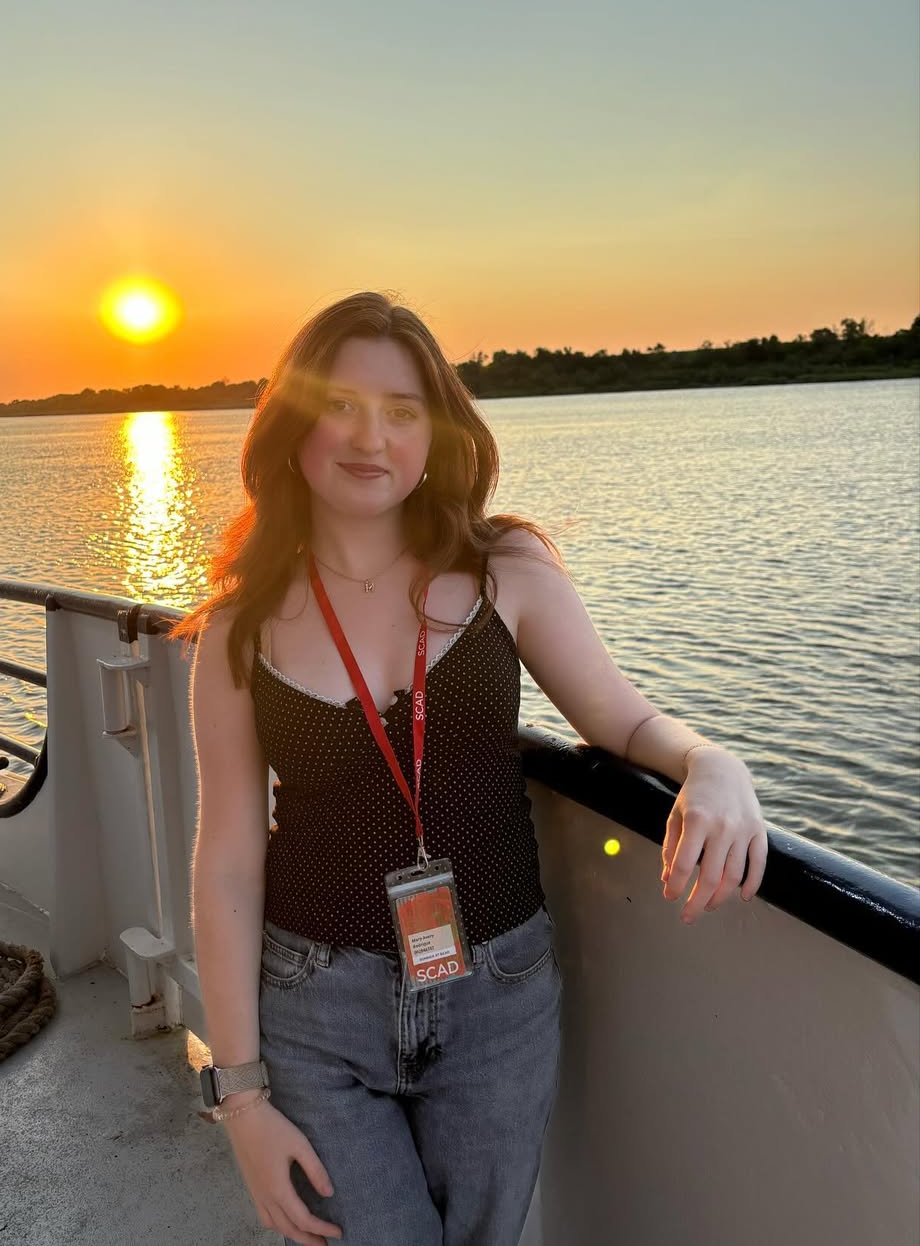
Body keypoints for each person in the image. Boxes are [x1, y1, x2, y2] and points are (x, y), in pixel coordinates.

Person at [173, 291, 767, 1246]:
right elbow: (229, 861)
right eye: (340, 404)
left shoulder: (506, 569)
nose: (371, 436)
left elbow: (622, 718)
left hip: (498, 995)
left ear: (436, 432)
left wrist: (712, 763)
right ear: (291, 423)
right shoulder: (241, 625)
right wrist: (240, 1098)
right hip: (315, 1007)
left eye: (402, 410)